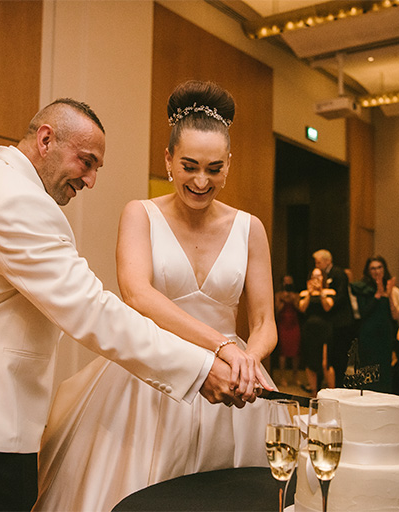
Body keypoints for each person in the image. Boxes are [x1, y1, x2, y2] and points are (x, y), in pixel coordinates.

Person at [0, 99, 251, 512]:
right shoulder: (16, 203)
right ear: (46, 140)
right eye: (86, 162)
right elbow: (92, 311)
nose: (90, 180)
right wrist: (200, 368)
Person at [34, 81, 277, 512]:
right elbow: (138, 294)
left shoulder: (250, 228)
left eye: (214, 169)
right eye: (189, 166)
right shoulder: (140, 214)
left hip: (232, 382)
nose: (201, 181)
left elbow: (264, 322)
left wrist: (249, 361)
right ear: (168, 160)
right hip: (151, 376)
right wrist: (220, 346)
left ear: (229, 165)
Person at [350, 256, 399, 393]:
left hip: (385, 333)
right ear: (368, 270)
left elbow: (395, 315)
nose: (377, 271)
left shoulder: (390, 287)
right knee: (369, 370)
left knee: (385, 369)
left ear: (384, 269)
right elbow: (363, 312)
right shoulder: (361, 288)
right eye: (373, 268)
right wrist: (378, 294)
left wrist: (388, 293)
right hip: (369, 334)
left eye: (379, 267)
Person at [312, 249, 356, 387]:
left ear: (328, 261)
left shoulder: (338, 273)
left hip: (342, 322)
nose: (317, 265)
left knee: (340, 357)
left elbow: (341, 296)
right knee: (331, 357)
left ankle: (340, 385)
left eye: (319, 262)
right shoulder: (325, 275)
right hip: (331, 323)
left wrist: (329, 304)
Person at [298, 268, 335, 394]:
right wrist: (310, 293)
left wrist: (321, 292)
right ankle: (314, 393)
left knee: (326, 363)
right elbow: (302, 308)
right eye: (314, 276)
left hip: (324, 329)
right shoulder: (304, 293)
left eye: (319, 276)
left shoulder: (329, 292)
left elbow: (328, 307)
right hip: (309, 330)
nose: (316, 279)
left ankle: (332, 392)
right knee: (310, 362)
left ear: (323, 278)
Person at [275, 275, 302, 387]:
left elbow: (300, 309)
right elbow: (277, 309)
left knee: (296, 351)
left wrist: (293, 299)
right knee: (283, 351)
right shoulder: (278, 295)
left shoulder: (296, 295)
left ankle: (295, 376)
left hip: (294, 323)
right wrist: (283, 300)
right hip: (283, 324)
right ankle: (282, 377)